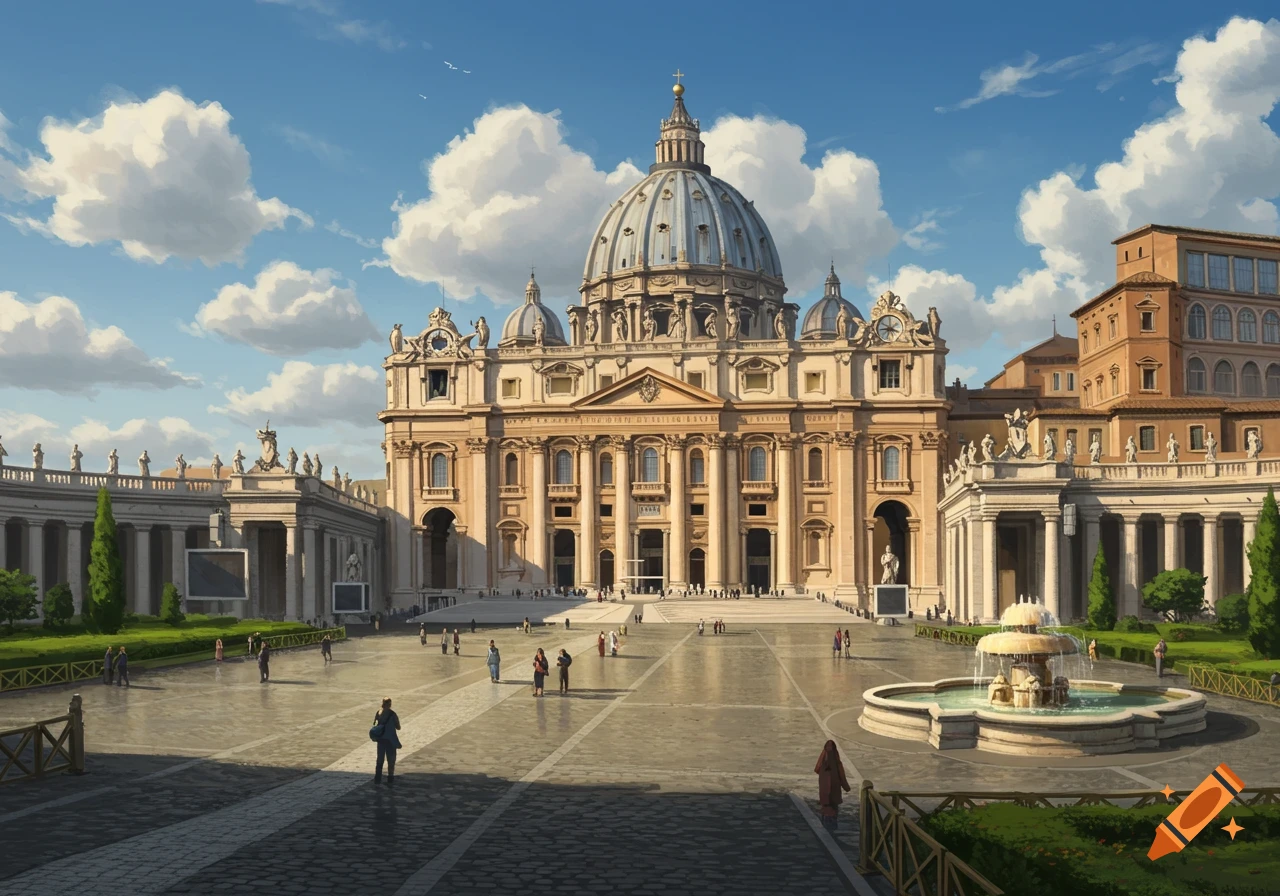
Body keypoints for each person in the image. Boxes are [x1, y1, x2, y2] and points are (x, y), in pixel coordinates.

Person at [814, 739, 851, 833]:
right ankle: (832, 827)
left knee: (826, 809)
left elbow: (817, 769)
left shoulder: (823, 761)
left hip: (825, 794)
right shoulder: (836, 762)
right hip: (834, 793)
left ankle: (825, 826)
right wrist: (846, 787)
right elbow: (842, 776)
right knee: (833, 810)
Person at [372, 697, 402, 786]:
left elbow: (374, 724)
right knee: (391, 760)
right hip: (390, 740)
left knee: (380, 760)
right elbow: (398, 727)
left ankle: (377, 779)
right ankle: (390, 779)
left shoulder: (378, 712)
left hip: (381, 740)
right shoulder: (393, 714)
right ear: (390, 704)